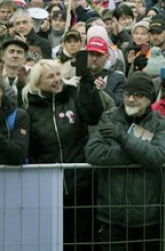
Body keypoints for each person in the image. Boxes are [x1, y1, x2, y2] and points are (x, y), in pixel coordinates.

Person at [85, 72, 165, 251]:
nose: (131, 99)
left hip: (147, 216)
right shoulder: (108, 117)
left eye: (138, 95)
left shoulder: (160, 124)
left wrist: (124, 140)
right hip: (112, 215)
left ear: (149, 98)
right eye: (127, 94)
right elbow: (92, 152)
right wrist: (138, 153)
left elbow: (158, 156)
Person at [22, 59, 105, 248]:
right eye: (50, 76)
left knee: (83, 236)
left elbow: (94, 115)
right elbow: (30, 147)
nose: (57, 80)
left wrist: (88, 82)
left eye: (59, 74)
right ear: (37, 82)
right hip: (47, 185)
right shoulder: (29, 107)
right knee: (53, 237)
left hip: (80, 181)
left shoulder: (73, 96)